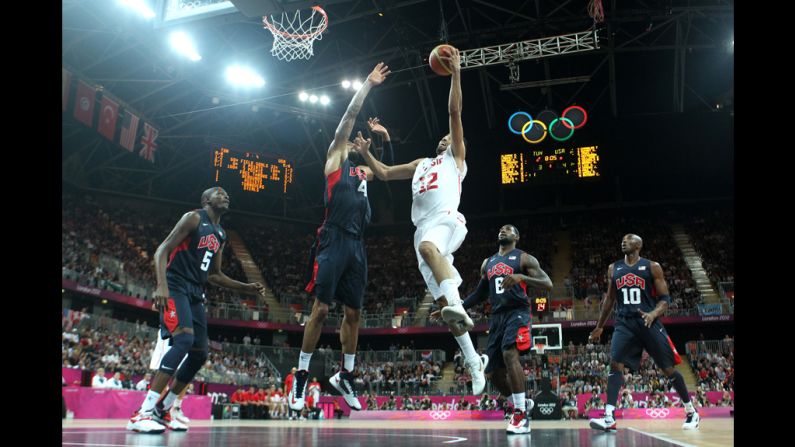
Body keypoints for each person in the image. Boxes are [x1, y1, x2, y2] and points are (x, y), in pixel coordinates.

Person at [354, 47, 488, 394]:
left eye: (451, 137)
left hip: (446, 220)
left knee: (432, 251)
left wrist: (456, 72)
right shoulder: (421, 163)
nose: (446, 138)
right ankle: (474, 360)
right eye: (443, 138)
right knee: (445, 308)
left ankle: (457, 303)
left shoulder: (456, 160)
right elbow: (382, 174)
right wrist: (366, 151)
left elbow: (454, 111)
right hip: (422, 229)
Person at [289, 62, 390, 413]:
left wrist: (381, 140)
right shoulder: (335, 162)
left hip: (357, 245)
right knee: (320, 309)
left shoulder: (363, 173)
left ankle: (345, 375)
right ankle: (301, 374)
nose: (351, 139)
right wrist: (367, 86)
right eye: (349, 139)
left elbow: (385, 170)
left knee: (354, 314)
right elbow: (348, 118)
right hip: (332, 239)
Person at [127, 187, 266, 433]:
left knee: (200, 353)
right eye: (219, 193)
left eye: (227, 193)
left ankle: (164, 409)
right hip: (175, 285)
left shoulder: (221, 233)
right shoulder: (193, 217)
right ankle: (143, 412)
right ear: (206, 200)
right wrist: (162, 286)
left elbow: (214, 275)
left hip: (195, 291)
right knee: (184, 340)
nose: (225, 195)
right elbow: (162, 250)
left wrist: (247, 288)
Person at [446, 224, 552, 434]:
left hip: (518, 312)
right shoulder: (489, 262)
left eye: (509, 229)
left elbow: (547, 283)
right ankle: (522, 405)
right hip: (497, 317)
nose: (503, 231)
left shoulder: (524, 258)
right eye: (501, 229)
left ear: (517, 237)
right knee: (492, 373)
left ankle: (521, 414)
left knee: (509, 354)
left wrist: (523, 277)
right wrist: (453, 308)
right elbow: (479, 294)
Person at [588, 234, 699, 432]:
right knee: (615, 363)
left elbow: (665, 299)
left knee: (668, 369)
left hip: (648, 322)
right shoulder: (613, 268)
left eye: (629, 240)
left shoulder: (652, 266)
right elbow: (609, 300)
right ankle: (609, 417)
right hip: (624, 323)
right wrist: (600, 326)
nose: (623, 241)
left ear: (638, 245)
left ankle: (691, 411)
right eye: (622, 239)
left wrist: (653, 313)